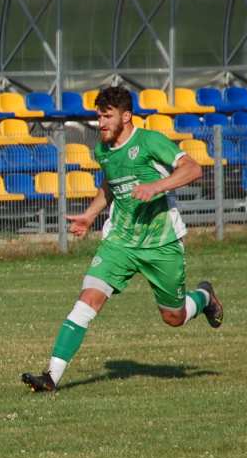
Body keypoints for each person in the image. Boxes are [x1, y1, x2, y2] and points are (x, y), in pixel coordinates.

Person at [21, 87, 223, 393]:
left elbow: (192, 169)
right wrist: (89, 215)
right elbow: (111, 184)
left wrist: (156, 186)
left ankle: (205, 296)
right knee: (86, 301)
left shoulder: (149, 141)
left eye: (107, 116)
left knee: (174, 318)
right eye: (98, 116)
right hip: (120, 242)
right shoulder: (102, 149)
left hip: (161, 242)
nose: (100, 123)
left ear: (126, 116)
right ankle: (51, 376)